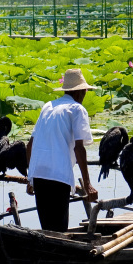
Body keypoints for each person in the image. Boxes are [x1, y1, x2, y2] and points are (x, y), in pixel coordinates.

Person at [25, 69, 99, 232]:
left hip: (39, 174)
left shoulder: (48, 106)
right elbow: (79, 149)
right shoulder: (77, 109)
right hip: (58, 176)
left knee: (47, 230)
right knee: (59, 230)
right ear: (82, 91)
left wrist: (31, 178)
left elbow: (30, 145)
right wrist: (87, 184)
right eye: (85, 90)